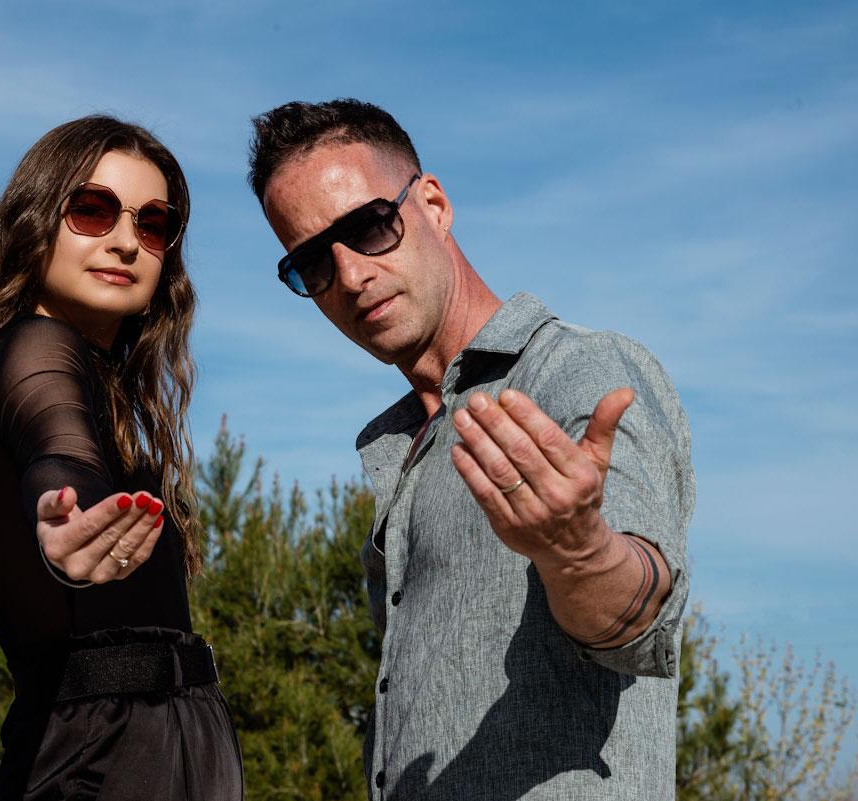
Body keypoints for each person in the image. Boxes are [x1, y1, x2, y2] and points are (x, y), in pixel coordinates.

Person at [248, 99, 694, 800]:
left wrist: (580, 553)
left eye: (367, 227)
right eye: (311, 263)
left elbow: (643, 622)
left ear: (433, 204)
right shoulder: (407, 439)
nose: (351, 275)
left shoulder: (581, 371)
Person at [0, 116, 243, 801]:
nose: (126, 241)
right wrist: (66, 511)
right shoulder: (34, 347)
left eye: (153, 224)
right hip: (102, 758)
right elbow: (57, 446)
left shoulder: (110, 389)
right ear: (36, 219)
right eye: (93, 210)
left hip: (157, 749)